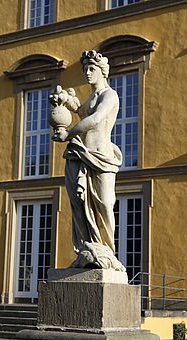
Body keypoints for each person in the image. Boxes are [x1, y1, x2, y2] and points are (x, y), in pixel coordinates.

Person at [52, 50, 124, 271]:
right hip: (79, 154)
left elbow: (94, 119)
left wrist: (68, 134)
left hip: (101, 157)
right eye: (85, 69)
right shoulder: (92, 97)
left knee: (103, 203)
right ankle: (87, 249)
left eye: (92, 69)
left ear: (103, 72)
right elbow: (82, 110)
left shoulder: (109, 95)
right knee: (79, 206)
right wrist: (66, 100)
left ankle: (106, 252)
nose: (87, 73)